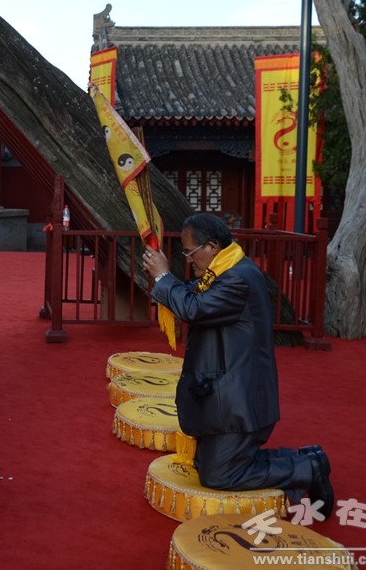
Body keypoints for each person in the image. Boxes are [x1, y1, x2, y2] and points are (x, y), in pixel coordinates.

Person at [141, 213, 334, 511]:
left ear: (212, 247)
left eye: (190, 253)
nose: (188, 260)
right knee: (207, 463)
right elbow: (193, 293)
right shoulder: (226, 268)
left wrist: (163, 277)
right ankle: (306, 458)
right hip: (225, 391)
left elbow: (194, 309)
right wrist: (164, 279)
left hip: (239, 398)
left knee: (219, 475)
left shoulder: (237, 279)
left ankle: (308, 470)